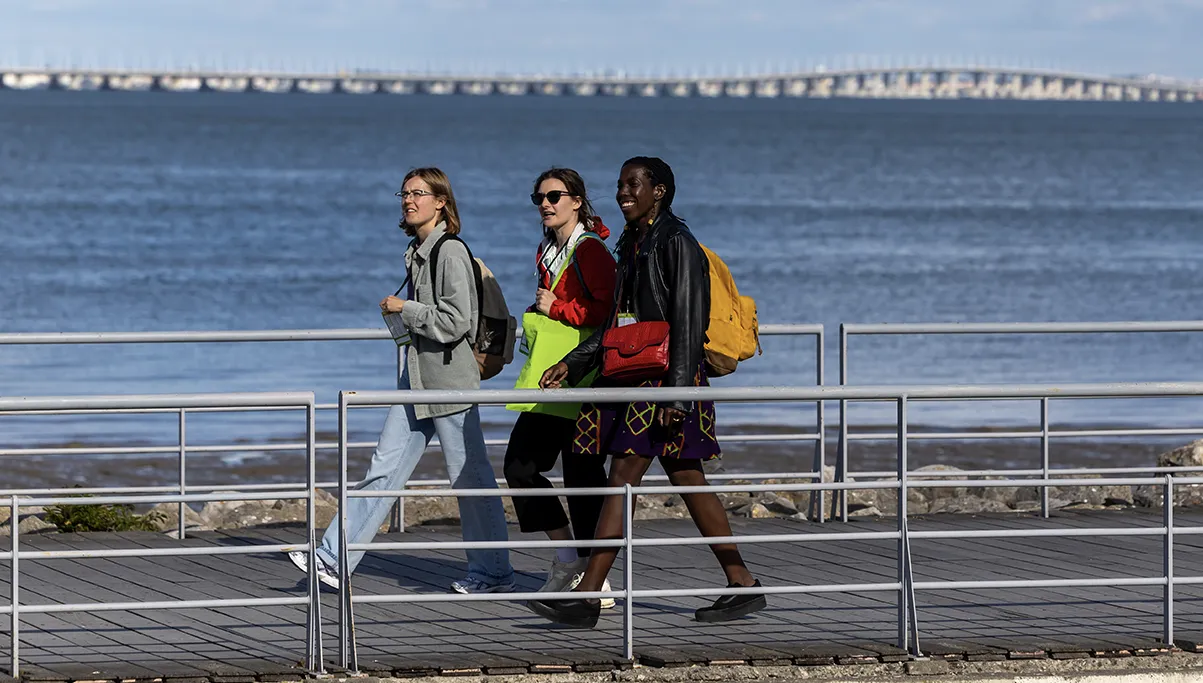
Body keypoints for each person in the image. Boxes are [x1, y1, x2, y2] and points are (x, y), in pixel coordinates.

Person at [528, 157, 766, 627]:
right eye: (619, 185)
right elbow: (619, 324)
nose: (622, 193)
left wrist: (676, 399)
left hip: (667, 385)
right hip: (642, 380)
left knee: (621, 480)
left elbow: (689, 323)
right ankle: (741, 582)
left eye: (633, 185)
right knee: (687, 478)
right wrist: (571, 363)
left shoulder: (676, 242)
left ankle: (589, 593)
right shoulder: (634, 242)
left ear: (659, 191)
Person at [288, 167, 515, 594]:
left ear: (441, 201)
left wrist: (404, 308)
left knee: (470, 478)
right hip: (416, 381)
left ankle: (494, 573)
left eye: (418, 194)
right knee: (383, 468)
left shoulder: (449, 252)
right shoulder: (417, 251)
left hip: (449, 382)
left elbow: (456, 322)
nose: (408, 201)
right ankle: (333, 557)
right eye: (404, 193)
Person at [502, 168, 617, 605]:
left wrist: (560, 307)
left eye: (554, 196)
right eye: (539, 198)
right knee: (521, 468)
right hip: (550, 378)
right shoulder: (548, 250)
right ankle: (569, 557)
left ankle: (596, 579)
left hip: (584, 379)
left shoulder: (590, 250)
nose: (545, 204)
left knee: (582, 474)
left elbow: (608, 312)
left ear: (577, 201)